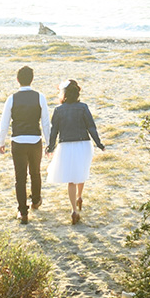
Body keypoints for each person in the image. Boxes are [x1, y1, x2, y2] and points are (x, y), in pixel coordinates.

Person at [45, 79, 105, 225]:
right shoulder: (83, 107)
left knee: (71, 179)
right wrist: (99, 144)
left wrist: (50, 147)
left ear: (64, 94)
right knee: (81, 171)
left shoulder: (58, 110)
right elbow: (91, 127)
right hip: (83, 144)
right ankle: (80, 196)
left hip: (66, 145)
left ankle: (73, 210)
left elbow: (54, 131)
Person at [0, 65, 51, 224]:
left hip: (18, 142)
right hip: (35, 141)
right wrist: (49, 143)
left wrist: (1, 142)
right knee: (35, 173)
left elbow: (4, 122)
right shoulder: (40, 97)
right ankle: (36, 201)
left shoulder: (12, 98)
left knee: (20, 177)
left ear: (17, 80)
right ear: (32, 79)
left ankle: (23, 212)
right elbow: (46, 123)